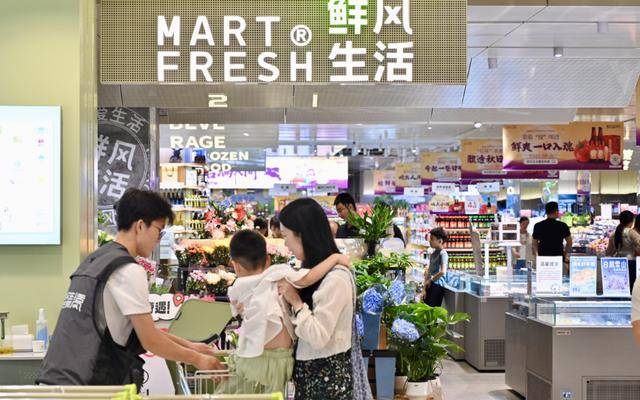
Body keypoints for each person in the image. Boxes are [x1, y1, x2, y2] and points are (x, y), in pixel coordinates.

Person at [37, 189, 222, 387]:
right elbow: (150, 340)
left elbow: (145, 330)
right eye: (159, 231)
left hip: (56, 381)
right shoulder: (127, 269)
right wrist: (197, 359)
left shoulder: (96, 259)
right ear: (140, 226)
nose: (158, 240)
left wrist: (191, 346)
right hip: (84, 386)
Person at [220, 230, 350, 394]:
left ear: (235, 266)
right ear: (268, 260)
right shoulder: (278, 275)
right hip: (284, 361)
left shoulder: (238, 287)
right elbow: (309, 277)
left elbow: (237, 310)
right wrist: (335, 258)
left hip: (254, 360)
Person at [276, 198, 372, 400]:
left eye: (286, 236)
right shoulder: (313, 273)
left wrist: (296, 302)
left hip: (328, 382)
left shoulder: (336, 279)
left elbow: (318, 336)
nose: (285, 244)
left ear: (303, 235)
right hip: (313, 378)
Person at [334, 193, 404, 242]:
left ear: (350, 207)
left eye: (340, 210)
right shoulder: (341, 230)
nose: (339, 215)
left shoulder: (368, 227)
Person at [606, 210, 640, 291]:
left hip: (618, 263)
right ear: (632, 221)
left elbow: (609, 252)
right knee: (631, 287)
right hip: (632, 262)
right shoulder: (631, 232)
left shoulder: (614, 234)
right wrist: (636, 251)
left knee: (621, 287)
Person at [421, 227, 448, 307]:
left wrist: (431, 280)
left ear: (440, 241)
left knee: (432, 310)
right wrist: (424, 288)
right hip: (429, 284)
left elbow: (443, 271)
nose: (430, 241)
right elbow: (429, 271)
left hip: (437, 286)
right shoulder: (433, 253)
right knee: (426, 308)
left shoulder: (443, 253)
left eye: (432, 239)